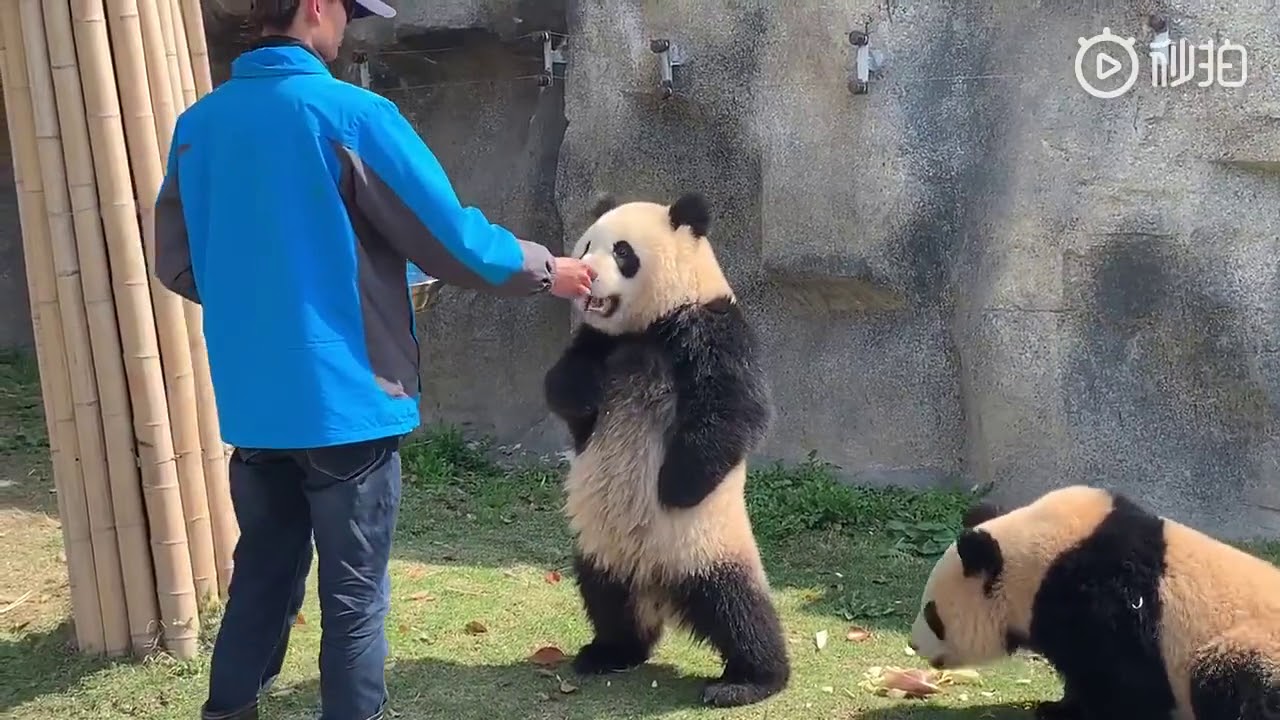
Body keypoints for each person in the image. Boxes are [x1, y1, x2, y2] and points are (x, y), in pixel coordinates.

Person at [151, 0, 595, 718]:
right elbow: (452, 241)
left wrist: (266, 304)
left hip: (256, 407)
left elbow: (177, 264)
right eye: (347, 13)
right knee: (354, 596)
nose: (349, 29)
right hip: (347, 405)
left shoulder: (197, 128)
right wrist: (551, 269)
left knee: (261, 575)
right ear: (316, 6)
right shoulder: (352, 116)